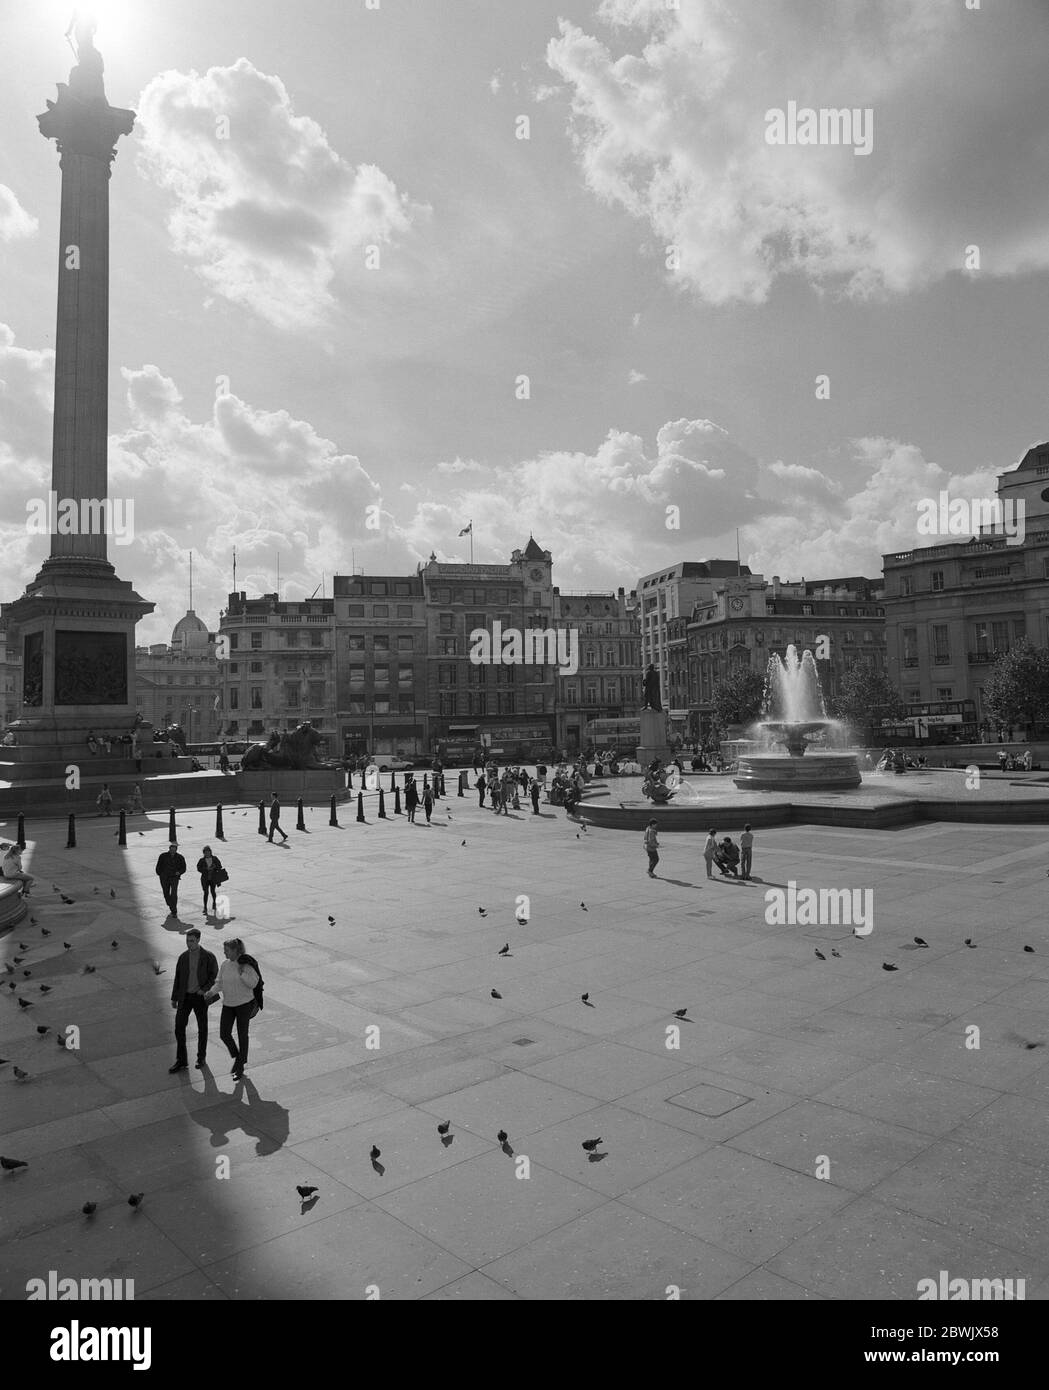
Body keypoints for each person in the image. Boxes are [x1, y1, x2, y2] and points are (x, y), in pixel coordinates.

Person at [203, 937, 260, 1080]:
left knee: (242, 1035)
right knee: (224, 1033)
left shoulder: (246, 965)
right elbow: (220, 983)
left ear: (235, 950)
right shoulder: (225, 965)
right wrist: (211, 992)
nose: (224, 952)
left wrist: (242, 973)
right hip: (228, 1004)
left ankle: (240, 1066)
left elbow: (253, 983)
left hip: (244, 1005)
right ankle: (238, 1056)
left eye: (226, 950)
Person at [169, 928, 218, 1073]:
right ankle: (181, 1060)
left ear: (198, 940)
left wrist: (204, 989)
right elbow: (178, 978)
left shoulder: (208, 956)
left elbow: (214, 976)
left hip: (200, 998)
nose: (188, 944)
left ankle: (201, 1058)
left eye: (191, 941)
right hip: (185, 997)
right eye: (187, 941)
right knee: (179, 1027)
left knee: (202, 1028)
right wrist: (174, 997)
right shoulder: (183, 957)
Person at [156, 841, 187, 918]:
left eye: (174, 849)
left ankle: (174, 911)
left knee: (173, 894)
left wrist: (179, 872)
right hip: (164, 877)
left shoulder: (180, 857)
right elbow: (158, 866)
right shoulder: (163, 856)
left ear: (176, 850)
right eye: (171, 849)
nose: (172, 851)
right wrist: (160, 874)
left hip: (174, 878)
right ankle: (171, 905)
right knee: (166, 893)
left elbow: (184, 868)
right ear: (169, 849)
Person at [196, 844, 225, 916]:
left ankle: (214, 904)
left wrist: (215, 867)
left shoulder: (215, 858)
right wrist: (206, 869)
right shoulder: (202, 860)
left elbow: (220, 866)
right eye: (206, 852)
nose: (207, 853)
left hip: (213, 878)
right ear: (204, 853)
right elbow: (198, 868)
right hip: (205, 879)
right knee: (206, 892)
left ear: (210, 852)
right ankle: (205, 907)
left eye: (208, 852)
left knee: (213, 891)